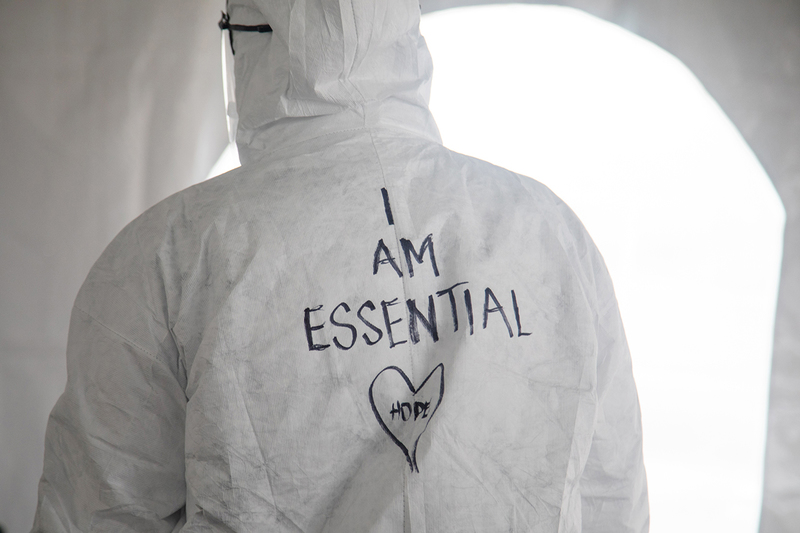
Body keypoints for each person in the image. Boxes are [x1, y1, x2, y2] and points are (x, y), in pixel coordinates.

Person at [32, 0, 649, 531]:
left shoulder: (166, 255)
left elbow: (96, 515)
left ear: (249, 36)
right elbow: (612, 503)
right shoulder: (550, 231)